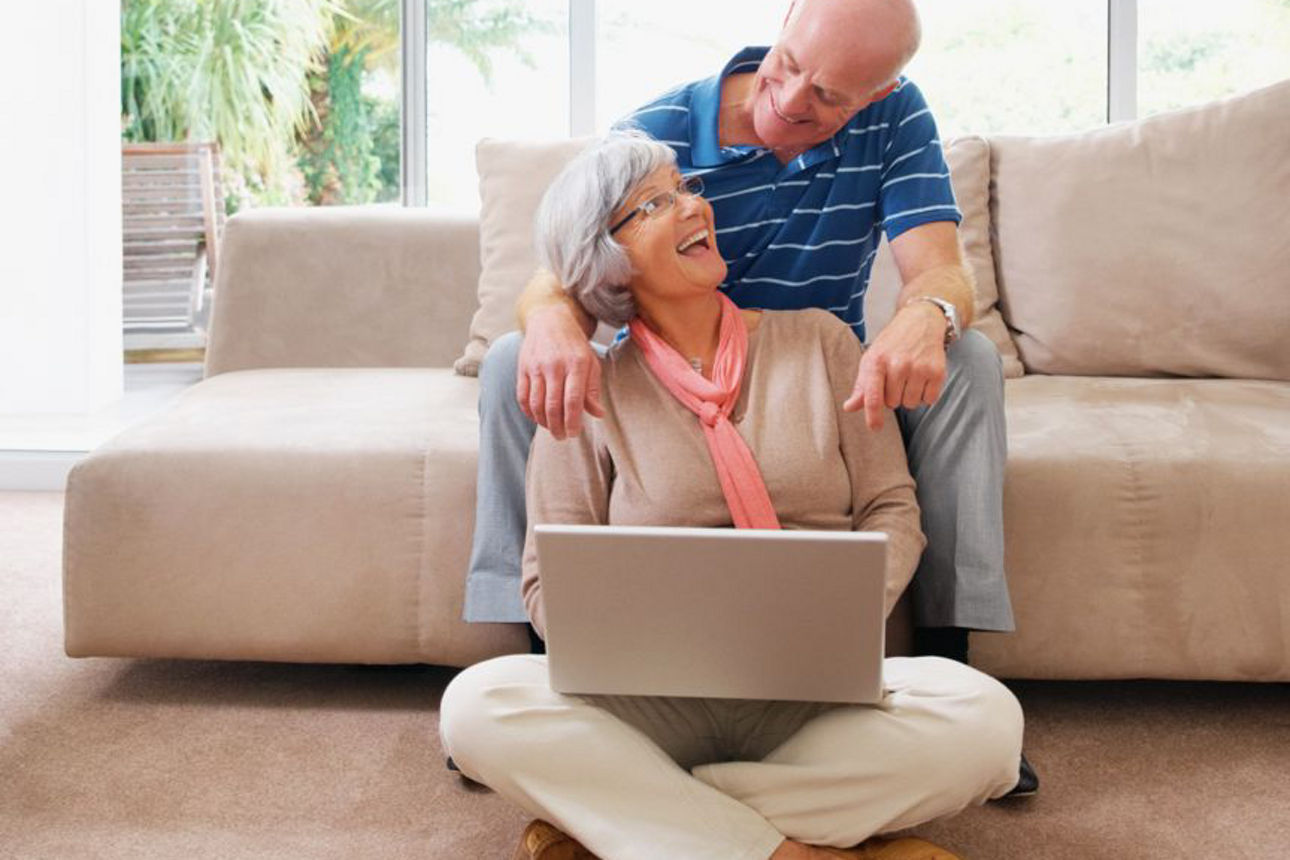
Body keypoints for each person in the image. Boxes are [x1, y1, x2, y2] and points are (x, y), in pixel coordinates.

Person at [464, 0, 1037, 793]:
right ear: (783, 23)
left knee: (966, 356)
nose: (795, 101)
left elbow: (940, 268)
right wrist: (552, 322)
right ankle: (545, 668)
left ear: (876, 93)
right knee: (511, 361)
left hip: (816, 378)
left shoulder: (895, 119)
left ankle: (941, 657)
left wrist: (925, 315)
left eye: (831, 97)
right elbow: (568, 253)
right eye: (789, 65)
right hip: (664, 366)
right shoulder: (656, 130)